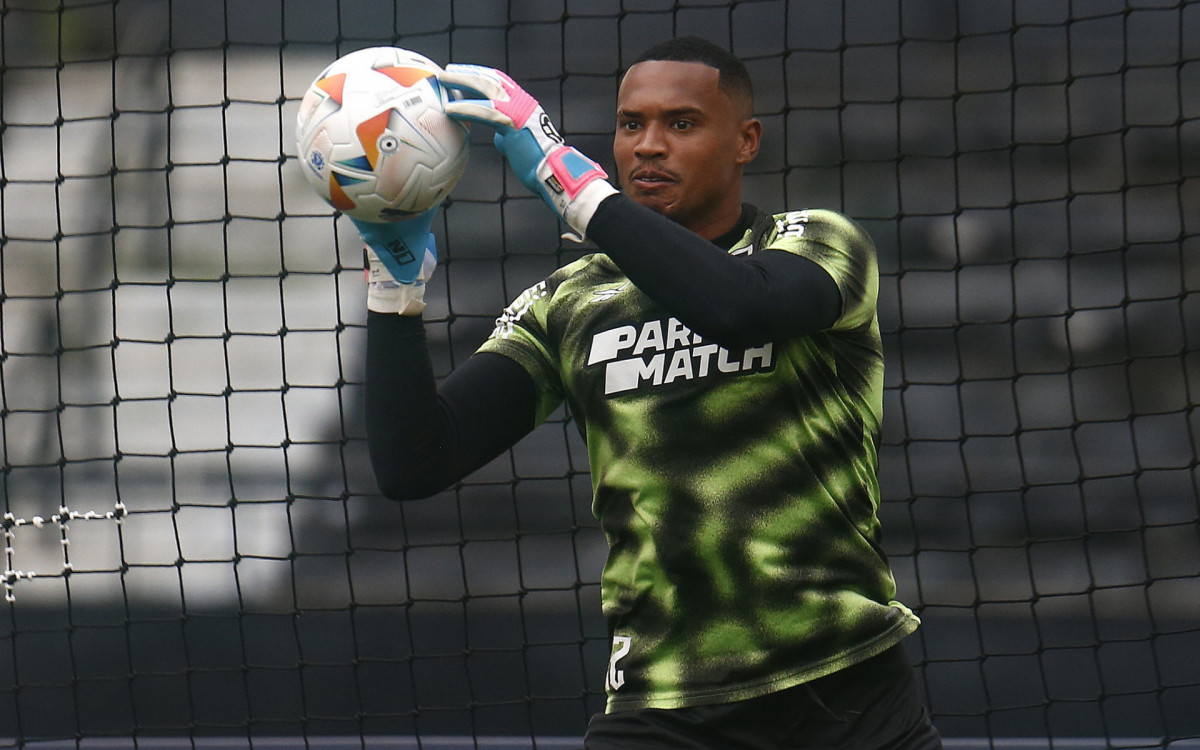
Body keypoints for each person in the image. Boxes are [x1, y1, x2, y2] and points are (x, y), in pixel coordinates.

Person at [358, 36, 942, 750]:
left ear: (745, 141)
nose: (649, 147)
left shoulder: (815, 243)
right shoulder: (568, 303)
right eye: (631, 125)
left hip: (846, 698)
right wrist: (394, 292)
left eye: (682, 124)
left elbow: (738, 309)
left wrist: (566, 180)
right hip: (663, 711)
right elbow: (416, 461)